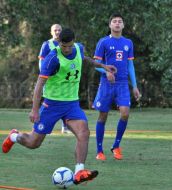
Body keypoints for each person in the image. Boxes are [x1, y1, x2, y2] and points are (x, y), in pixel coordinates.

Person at [2, 28, 117, 185]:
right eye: (64, 46)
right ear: (59, 43)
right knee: (33, 143)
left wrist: (102, 66)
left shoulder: (79, 48)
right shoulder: (52, 58)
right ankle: (14, 136)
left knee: (83, 132)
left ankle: (79, 172)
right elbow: (39, 84)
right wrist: (35, 110)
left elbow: (84, 58)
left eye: (70, 46)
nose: (67, 49)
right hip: (52, 104)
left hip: (72, 104)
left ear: (74, 42)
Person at [93, 13, 141, 161]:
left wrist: (135, 86)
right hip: (106, 85)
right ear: (110, 25)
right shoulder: (103, 42)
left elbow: (130, 65)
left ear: (123, 25)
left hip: (122, 84)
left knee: (125, 113)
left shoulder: (128, 43)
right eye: (114, 21)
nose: (117, 23)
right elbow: (96, 64)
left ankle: (116, 146)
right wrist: (106, 71)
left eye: (120, 21)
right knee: (103, 116)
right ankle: (99, 150)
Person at [38, 24, 69, 134]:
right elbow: (41, 61)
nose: (57, 32)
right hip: (51, 80)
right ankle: (40, 123)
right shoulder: (47, 44)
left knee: (65, 100)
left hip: (64, 80)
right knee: (49, 101)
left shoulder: (66, 44)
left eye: (59, 30)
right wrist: (44, 75)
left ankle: (65, 127)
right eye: (55, 30)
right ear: (51, 32)